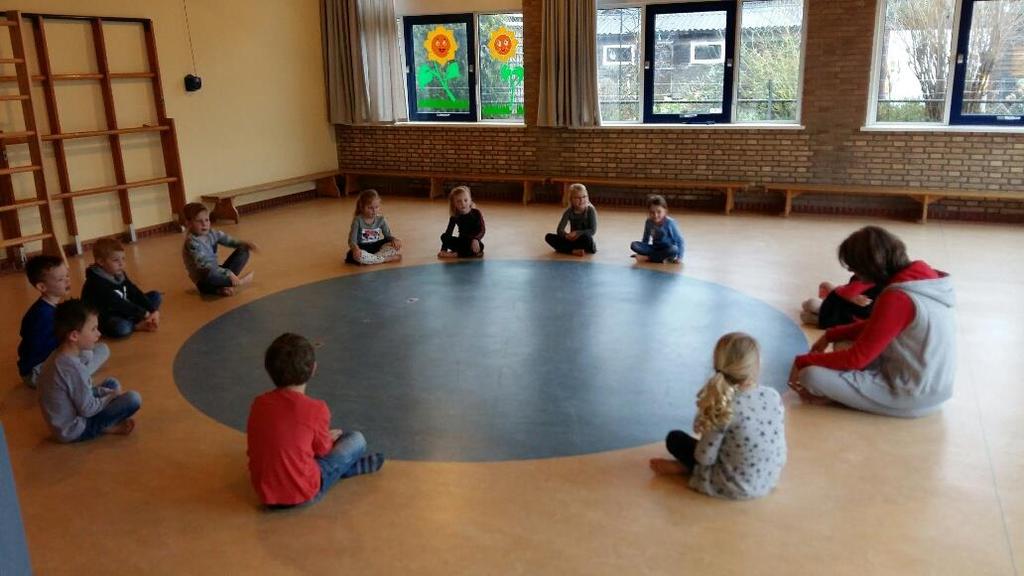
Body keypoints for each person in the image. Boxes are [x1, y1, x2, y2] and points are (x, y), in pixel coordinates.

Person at [788, 226, 956, 418]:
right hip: (934, 388)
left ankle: (845, 398)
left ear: (868, 267)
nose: (855, 274)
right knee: (841, 344)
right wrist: (832, 334)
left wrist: (803, 361)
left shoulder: (898, 296)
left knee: (811, 376)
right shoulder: (925, 279)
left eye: (854, 268)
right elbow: (878, 325)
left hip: (911, 395)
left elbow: (856, 358)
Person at [247, 333, 385, 509]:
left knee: (291, 451)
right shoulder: (316, 409)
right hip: (303, 490)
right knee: (356, 439)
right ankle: (345, 469)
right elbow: (323, 451)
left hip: (264, 491)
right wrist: (327, 438)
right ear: (313, 369)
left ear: (269, 369)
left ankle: (341, 469)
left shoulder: (259, 403)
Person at [650, 333, 786, 500]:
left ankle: (684, 469)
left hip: (731, 485)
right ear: (756, 365)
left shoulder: (724, 405)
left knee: (675, 439)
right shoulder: (772, 395)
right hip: (767, 478)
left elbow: (704, 457)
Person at [37, 299, 141, 442]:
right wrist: (111, 396)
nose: (98, 333)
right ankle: (104, 427)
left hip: (69, 414)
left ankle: (106, 420)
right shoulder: (73, 368)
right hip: (73, 430)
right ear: (74, 336)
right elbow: (87, 409)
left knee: (111, 383)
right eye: (93, 329)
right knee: (133, 399)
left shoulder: (59, 355)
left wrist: (107, 393)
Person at [17, 256, 109, 388]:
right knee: (88, 353)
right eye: (61, 279)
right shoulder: (41, 315)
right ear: (42, 286)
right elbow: (38, 348)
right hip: (37, 373)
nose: (67, 280)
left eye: (67, 276)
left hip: (54, 362)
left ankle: (75, 374)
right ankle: (76, 378)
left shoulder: (52, 308)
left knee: (101, 349)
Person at [81, 238, 162, 338]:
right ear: (101, 261)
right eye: (116, 260)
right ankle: (135, 325)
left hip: (124, 308)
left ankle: (139, 318)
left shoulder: (118, 273)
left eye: (123, 259)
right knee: (122, 327)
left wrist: (153, 311)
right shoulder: (96, 282)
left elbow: (134, 291)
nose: (121, 264)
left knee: (156, 296)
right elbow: (116, 303)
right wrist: (144, 313)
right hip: (107, 317)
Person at [181, 202, 258, 296]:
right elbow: (205, 265)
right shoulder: (192, 242)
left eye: (207, 220)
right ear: (189, 223)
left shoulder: (211, 233)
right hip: (205, 278)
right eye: (199, 221)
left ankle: (224, 286)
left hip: (217, 270)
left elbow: (228, 241)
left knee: (243, 250)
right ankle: (237, 283)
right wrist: (228, 273)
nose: (204, 224)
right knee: (211, 275)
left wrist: (245, 243)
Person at [345, 189, 402, 265]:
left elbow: (388, 236)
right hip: (362, 247)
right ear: (362, 207)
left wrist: (394, 240)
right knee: (353, 256)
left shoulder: (381, 219)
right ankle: (385, 259)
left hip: (376, 246)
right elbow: (352, 241)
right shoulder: (357, 220)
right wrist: (356, 249)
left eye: (377, 207)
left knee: (394, 246)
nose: (374, 211)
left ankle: (372, 259)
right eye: (370, 208)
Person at [800, 275, 880, 329]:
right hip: (843, 312)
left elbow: (846, 293)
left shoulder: (868, 279)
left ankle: (816, 311)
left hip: (846, 319)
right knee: (809, 306)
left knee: (808, 309)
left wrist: (831, 288)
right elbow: (846, 292)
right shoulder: (867, 277)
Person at [545, 183, 597, 256]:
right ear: (571, 200)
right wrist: (566, 236)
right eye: (577, 198)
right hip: (572, 240)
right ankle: (573, 251)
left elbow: (592, 230)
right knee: (549, 237)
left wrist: (577, 233)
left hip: (584, 240)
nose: (581, 200)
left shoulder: (590, 210)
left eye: (584, 197)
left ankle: (567, 250)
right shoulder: (568, 212)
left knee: (587, 238)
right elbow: (560, 230)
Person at [630, 195, 684, 263]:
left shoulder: (670, 223)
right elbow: (645, 238)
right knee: (634, 245)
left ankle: (648, 258)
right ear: (648, 212)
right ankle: (658, 257)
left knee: (674, 249)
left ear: (665, 211)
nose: (655, 215)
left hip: (667, 249)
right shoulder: (648, 222)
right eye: (652, 212)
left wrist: (680, 257)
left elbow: (680, 240)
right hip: (655, 248)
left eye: (659, 212)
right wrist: (641, 251)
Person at [438, 186, 485, 259]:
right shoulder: (454, 216)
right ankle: (463, 253)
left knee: (480, 246)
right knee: (444, 236)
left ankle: (457, 254)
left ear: (470, 200)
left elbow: (482, 230)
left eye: (465, 200)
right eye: (459, 201)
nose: (463, 204)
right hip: (461, 241)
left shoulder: (476, 213)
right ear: (454, 204)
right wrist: (443, 249)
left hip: (472, 241)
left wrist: (476, 239)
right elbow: (448, 232)